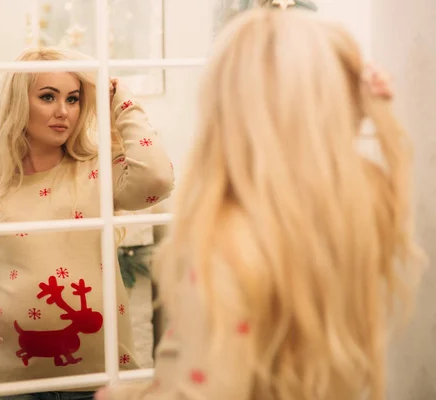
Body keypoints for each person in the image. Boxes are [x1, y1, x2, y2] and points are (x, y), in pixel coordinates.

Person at [96, 8, 423, 400]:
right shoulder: (353, 209)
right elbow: (387, 173)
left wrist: (122, 396)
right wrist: (371, 111)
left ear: (227, 114)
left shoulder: (223, 243)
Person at [0, 47, 175, 400]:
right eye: (48, 97)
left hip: (100, 378)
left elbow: (158, 180)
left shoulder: (96, 170)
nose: (63, 112)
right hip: (7, 380)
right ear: (18, 102)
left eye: (74, 99)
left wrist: (120, 101)